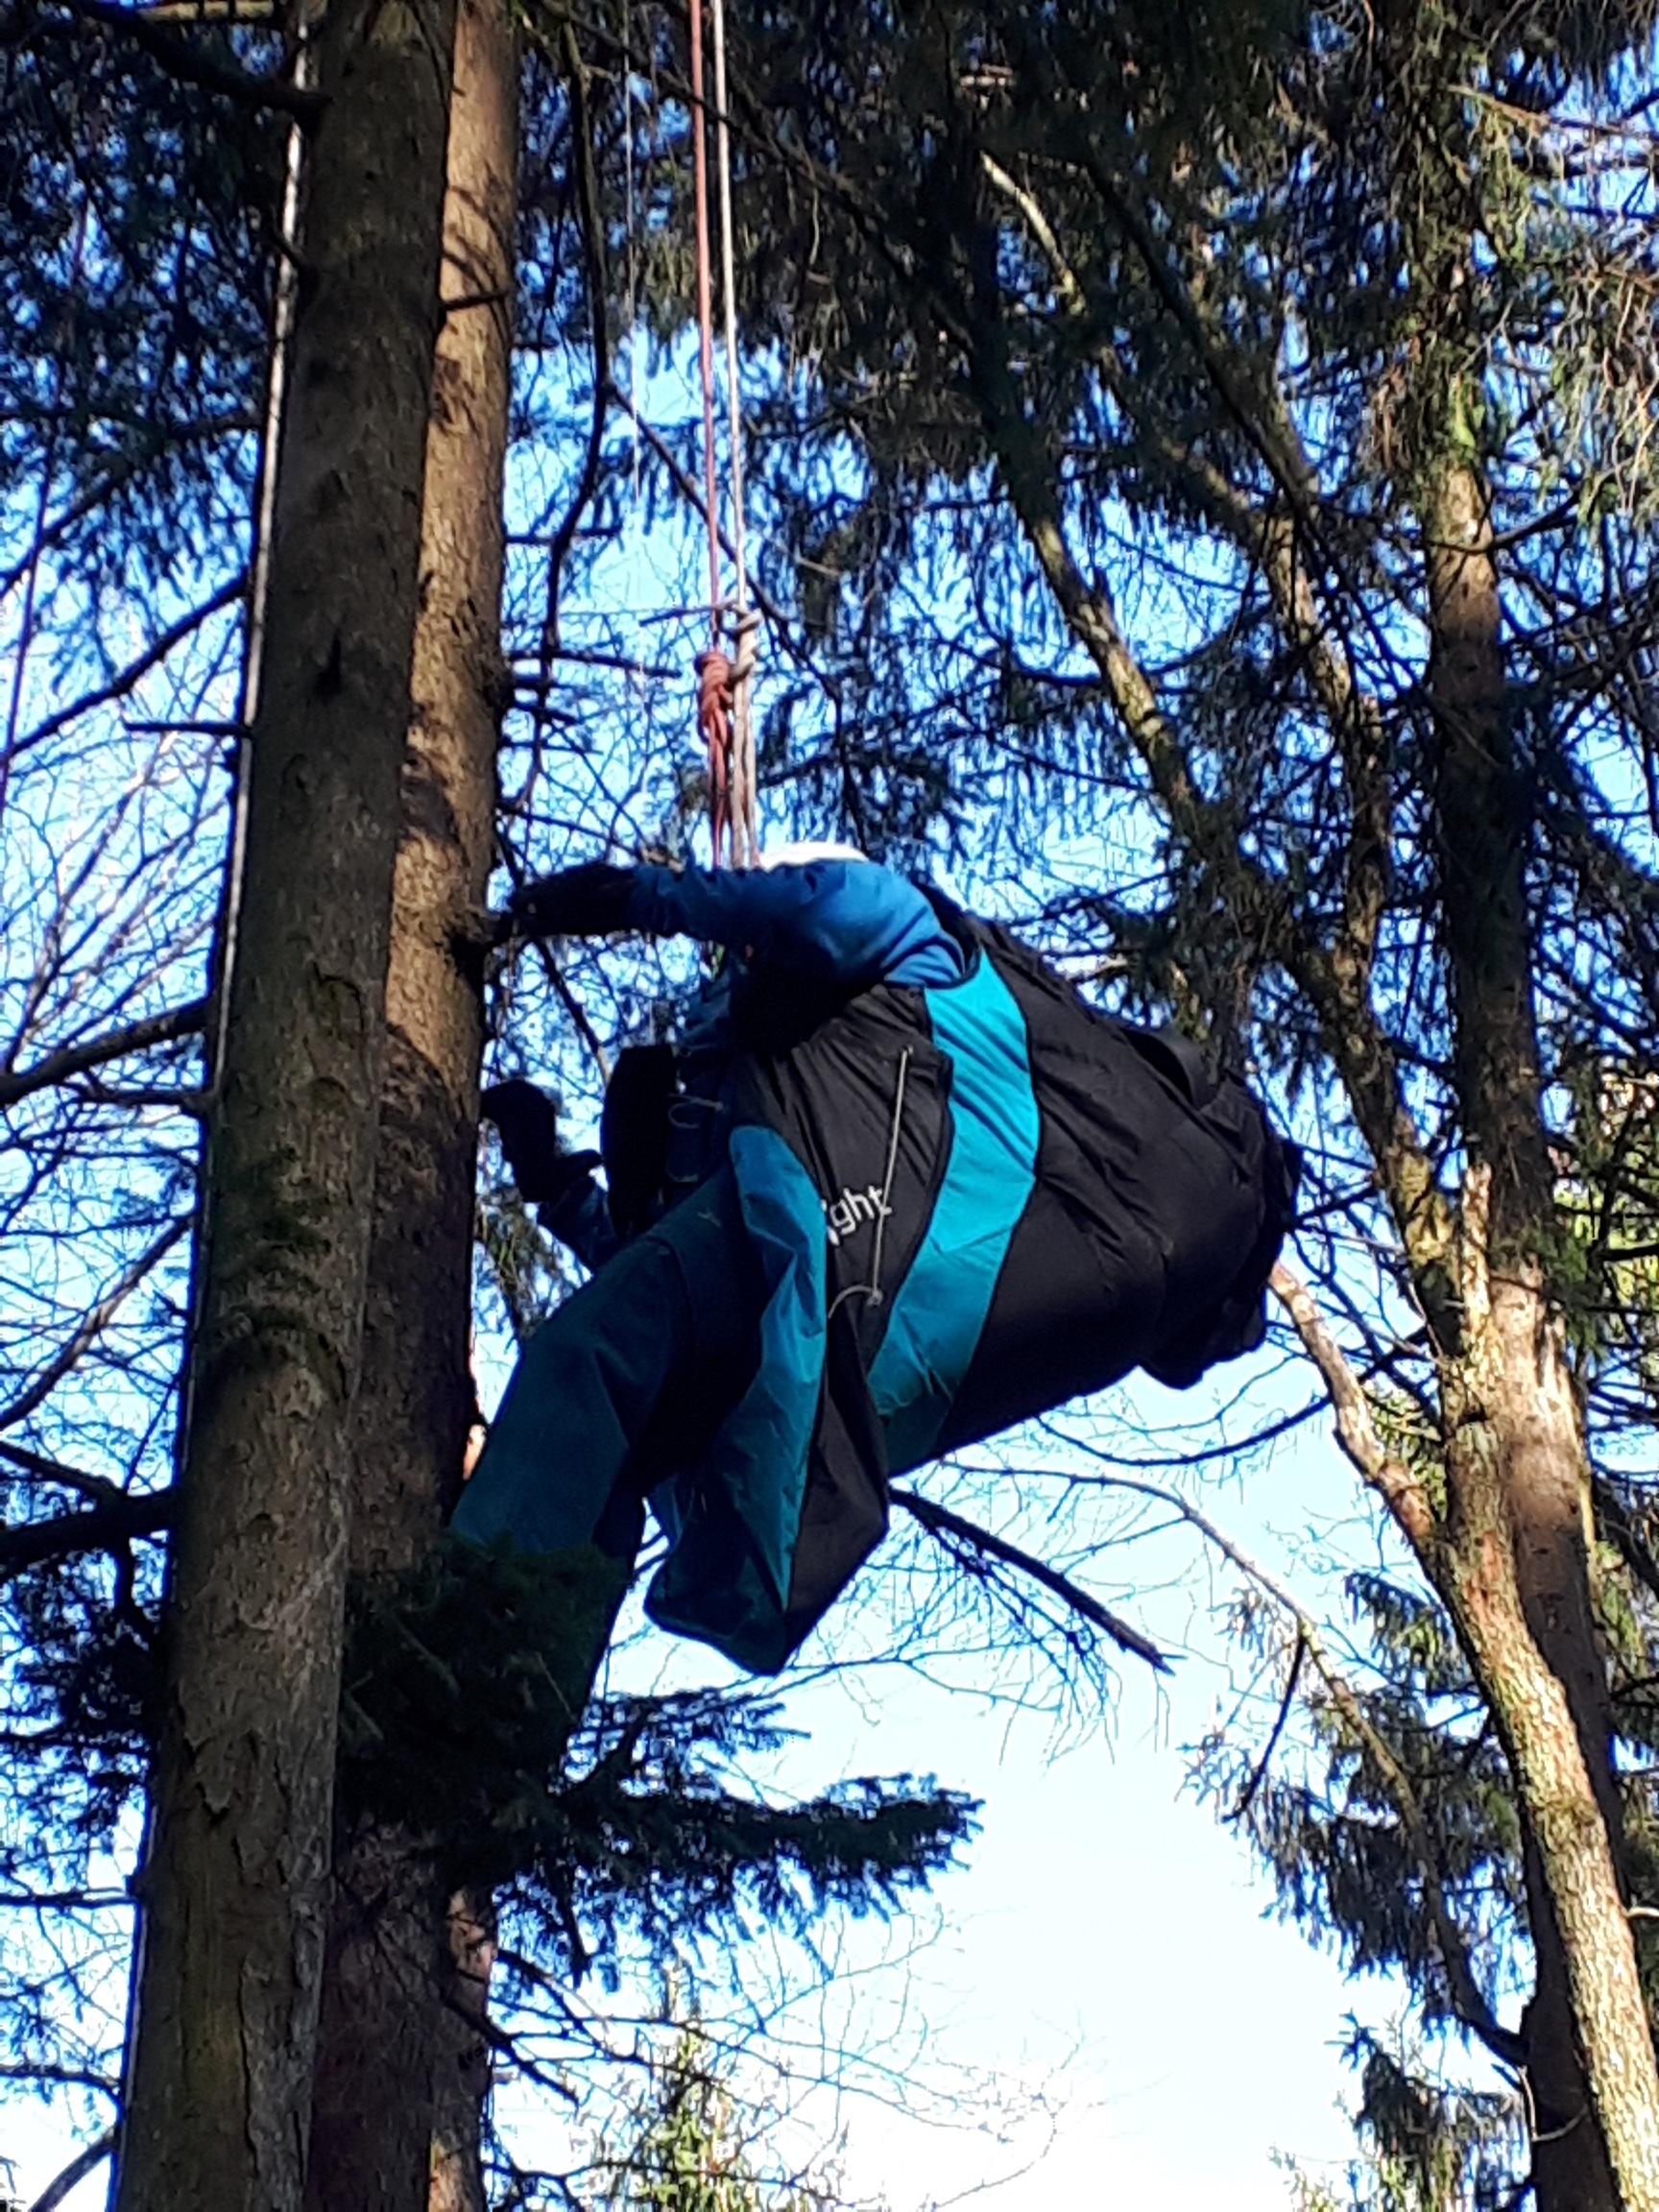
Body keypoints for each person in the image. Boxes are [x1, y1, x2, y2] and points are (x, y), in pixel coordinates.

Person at [454, 847, 1298, 1673]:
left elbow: (832, 900)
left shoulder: (897, 966)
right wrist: (554, 1183)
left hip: (827, 1289)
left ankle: (454, 1659)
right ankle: (500, 1718)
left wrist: (636, 896)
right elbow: (669, 1277)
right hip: (847, 1324)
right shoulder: (775, 1117)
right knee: (620, 1428)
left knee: (590, 1365)